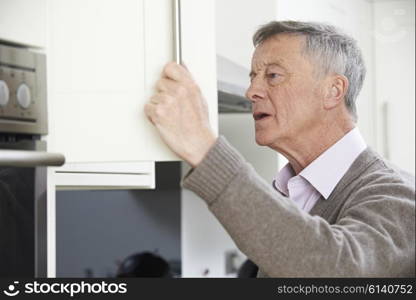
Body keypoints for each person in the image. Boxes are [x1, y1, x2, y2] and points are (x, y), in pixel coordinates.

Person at [144, 21, 415, 277]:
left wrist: (205, 149)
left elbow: (336, 272)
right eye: (253, 77)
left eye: (273, 75)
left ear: (333, 90)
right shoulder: (289, 191)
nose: (251, 91)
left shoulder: (397, 196)